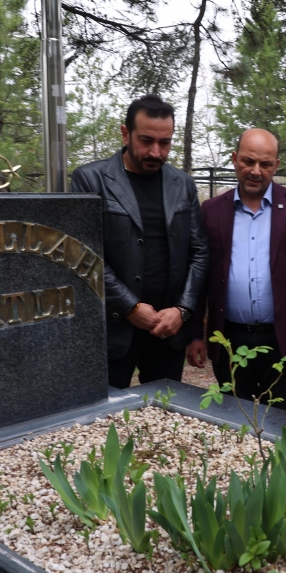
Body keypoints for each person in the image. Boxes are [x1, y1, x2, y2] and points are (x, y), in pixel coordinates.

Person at [186, 129, 286, 412]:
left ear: (276, 165)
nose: (255, 171)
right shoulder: (212, 211)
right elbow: (200, 277)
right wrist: (194, 335)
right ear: (234, 159)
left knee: (280, 417)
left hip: (283, 337)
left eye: (265, 164)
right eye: (248, 161)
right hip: (228, 338)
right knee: (232, 417)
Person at [71, 94, 209, 388]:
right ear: (126, 133)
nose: (156, 152)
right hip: (112, 329)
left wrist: (183, 309)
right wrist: (130, 307)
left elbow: (199, 252)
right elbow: (84, 256)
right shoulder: (91, 180)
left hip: (168, 330)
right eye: (146, 141)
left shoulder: (183, 185)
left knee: (165, 412)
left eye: (165, 143)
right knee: (106, 414)